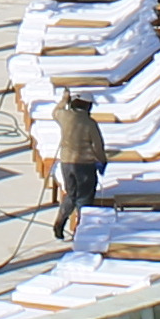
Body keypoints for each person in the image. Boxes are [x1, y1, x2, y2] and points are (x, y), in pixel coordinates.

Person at [49, 91, 106, 238]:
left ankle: (59, 222)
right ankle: (81, 231)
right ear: (87, 106)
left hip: (66, 163)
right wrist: (102, 161)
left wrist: (64, 99)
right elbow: (98, 146)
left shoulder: (64, 116)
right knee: (84, 198)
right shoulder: (90, 123)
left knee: (71, 194)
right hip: (84, 164)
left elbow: (55, 111)